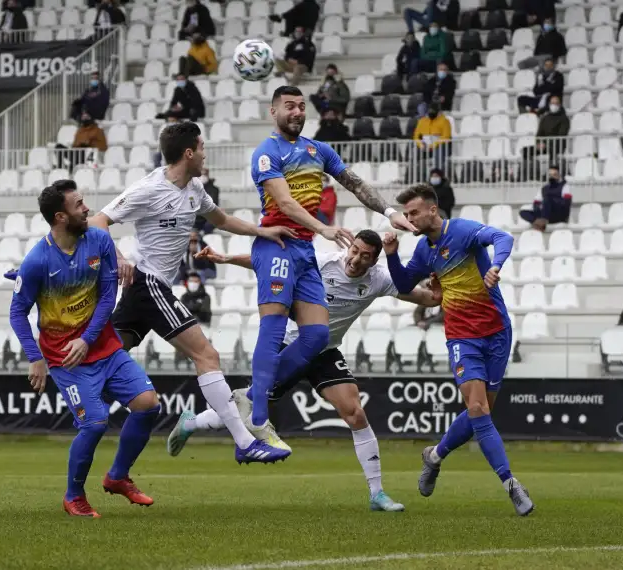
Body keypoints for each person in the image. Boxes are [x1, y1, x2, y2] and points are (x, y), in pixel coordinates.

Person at [170, 230, 442, 511]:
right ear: (349, 247)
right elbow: (271, 263)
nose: (356, 259)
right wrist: (226, 258)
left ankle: (377, 494)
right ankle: (192, 423)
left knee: (355, 413)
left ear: (374, 261)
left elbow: (425, 298)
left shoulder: (380, 279)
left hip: (325, 351)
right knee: (247, 407)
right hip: (292, 345)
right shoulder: (322, 262)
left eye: (365, 256)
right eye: (355, 250)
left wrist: (437, 293)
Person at [88, 121, 294, 464]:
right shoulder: (150, 188)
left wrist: (264, 231)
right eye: (201, 147)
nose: (204, 153)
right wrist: (119, 257)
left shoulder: (195, 189)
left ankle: (90, 401)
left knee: (105, 356)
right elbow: (98, 221)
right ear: (188, 152)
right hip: (147, 283)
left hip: (149, 290)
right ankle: (244, 442)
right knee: (207, 356)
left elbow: (223, 219)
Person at [245, 85, 416, 440]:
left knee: (319, 334)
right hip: (276, 241)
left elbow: (353, 183)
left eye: (301, 106)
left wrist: (388, 211)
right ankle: (258, 414)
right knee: (275, 325)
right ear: (273, 112)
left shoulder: (318, 150)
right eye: (289, 106)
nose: (296, 112)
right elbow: (287, 203)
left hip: (303, 249)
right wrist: (323, 227)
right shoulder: (266, 152)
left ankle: (247, 399)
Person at [10, 180, 160, 518]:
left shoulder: (100, 240)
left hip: (103, 346)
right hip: (66, 359)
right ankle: (73, 496)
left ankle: (118, 476)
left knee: (148, 405)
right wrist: (35, 358)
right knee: (94, 423)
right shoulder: (37, 260)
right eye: (79, 205)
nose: (87, 208)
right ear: (61, 217)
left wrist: (88, 338)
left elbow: (109, 296)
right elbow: (17, 312)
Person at [383, 185, 533, 517]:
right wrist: (392, 254)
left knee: (482, 413)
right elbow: (406, 284)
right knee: (477, 407)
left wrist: (497, 265)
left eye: (413, 213)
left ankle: (434, 455)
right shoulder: (424, 250)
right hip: (461, 337)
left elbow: (503, 238)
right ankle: (510, 484)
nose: (407, 219)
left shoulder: (462, 231)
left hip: (496, 331)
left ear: (432, 210)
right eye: (405, 214)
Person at [521, 95, 570, 177]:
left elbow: (561, 135)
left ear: (560, 105)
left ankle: (550, 174)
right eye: (552, 103)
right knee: (526, 150)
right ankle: (532, 173)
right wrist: (539, 143)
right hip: (544, 145)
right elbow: (539, 134)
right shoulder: (545, 118)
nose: (554, 105)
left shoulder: (564, 119)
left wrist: (545, 143)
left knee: (552, 150)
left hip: (557, 145)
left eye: (556, 103)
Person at [518, 165, 572, 230]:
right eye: (550, 175)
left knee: (547, 199)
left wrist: (552, 202)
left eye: (554, 175)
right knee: (523, 212)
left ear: (559, 175)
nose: (552, 177)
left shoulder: (565, 186)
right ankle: (539, 222)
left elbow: (566, 203)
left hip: (558, 214)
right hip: (545, 213)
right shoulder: (544, 188)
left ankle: (540, 223)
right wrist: (541, 207)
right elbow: (536, 202)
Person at [412, 103, 452, 174]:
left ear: (438, 112)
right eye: (429, 111)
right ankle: (414, 175)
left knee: (439, 150)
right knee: (414, 150)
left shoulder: (444, 121)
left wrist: (432, 145)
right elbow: (416, 136)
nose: (431, 113)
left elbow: (446, 136)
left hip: (439, 146)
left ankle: (437, 174)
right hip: (425, 146)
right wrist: (421, 144)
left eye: (433, 111)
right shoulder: (422, 121)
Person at [193, 168, 219, 233]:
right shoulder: (193, 188)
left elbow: (214, 203)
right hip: (196, 216)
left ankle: (203, 236)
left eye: (205, 175)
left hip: (208, 217)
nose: (203, 177)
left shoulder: (214, 189)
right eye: (201, 175)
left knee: (210, 224)